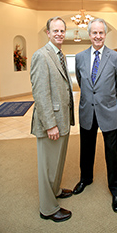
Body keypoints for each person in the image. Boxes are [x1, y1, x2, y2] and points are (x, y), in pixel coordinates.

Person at [73, 18, 117, 213]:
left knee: (111, 152)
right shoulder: (79, 57)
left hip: (108, 111)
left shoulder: (115, 58)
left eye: (101, 33)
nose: (98, 36)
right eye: (94, 33)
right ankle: (85, 179)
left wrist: (108, 99)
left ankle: (116, 190)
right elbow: (81, 82)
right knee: (86, 149)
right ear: (89, 35)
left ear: (105, 34)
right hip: (87, 110)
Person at [30, 16, 74, 222]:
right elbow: (40, 94)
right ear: (47, 33)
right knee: (48, 166)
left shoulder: (59, 54)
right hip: (51, 122)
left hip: (62, 119)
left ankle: (55, 190)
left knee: (58, 162)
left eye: (62, 30)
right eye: (55, 30)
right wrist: (50, 125)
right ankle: (47, 208)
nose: (59, 34)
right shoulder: (41, 55)